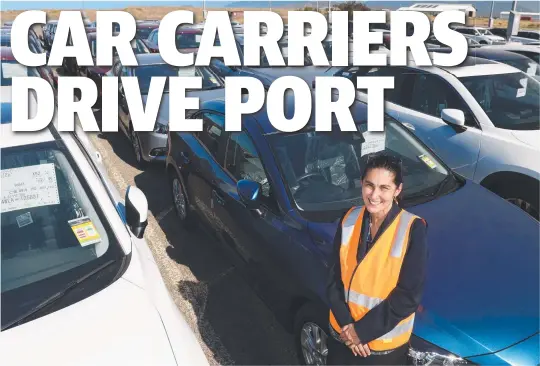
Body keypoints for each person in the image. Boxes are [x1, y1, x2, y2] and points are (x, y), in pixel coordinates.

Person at [326, 153, 428, 365]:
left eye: (384, 188)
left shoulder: (412, 229)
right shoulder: (349, 218)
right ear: (362, 184)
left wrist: (361, 332)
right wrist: (349, 330)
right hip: (342, 337)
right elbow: (333, 278)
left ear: (397, 190)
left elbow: (407, 297)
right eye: (369, 185)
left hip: (381, 350)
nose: (374, 195)